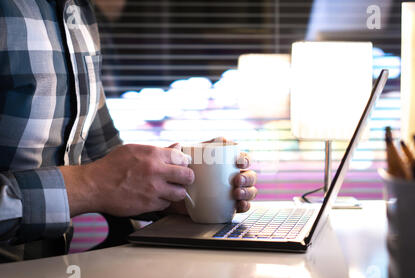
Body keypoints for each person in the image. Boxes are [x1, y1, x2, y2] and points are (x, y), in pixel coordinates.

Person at [0, 0, 257, 259]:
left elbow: (101, 155)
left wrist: (177, 191)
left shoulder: (78, 13)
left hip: (52, 274)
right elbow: (100, 178)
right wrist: (92, 185)